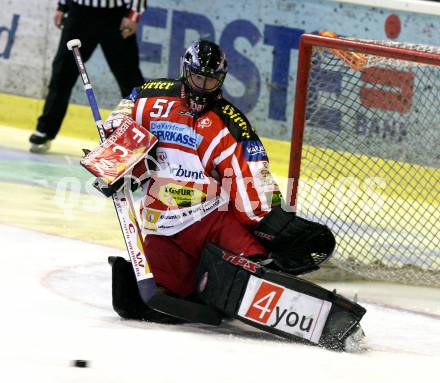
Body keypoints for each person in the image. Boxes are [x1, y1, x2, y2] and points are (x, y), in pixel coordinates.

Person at [101, 40, 335, 322]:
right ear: (185, 72)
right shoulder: (150, 100)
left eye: (210, 81)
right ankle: (209, 286)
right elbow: (122, 116)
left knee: (257, 271)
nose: (202, 86)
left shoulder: (227, 123)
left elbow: (249, 185)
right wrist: (113, 159)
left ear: (221, 80)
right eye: (198, 77)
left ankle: (239, 283)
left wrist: (277, 226)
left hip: (211, 219)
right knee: (144, 298)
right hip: (162, 226)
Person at [29, 0, 147, 153]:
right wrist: (62, 6)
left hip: (116, 15)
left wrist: (133, 14)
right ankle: (45, 130)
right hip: (79, 13)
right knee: (62, 73)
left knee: (130, 78)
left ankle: (143, 133)